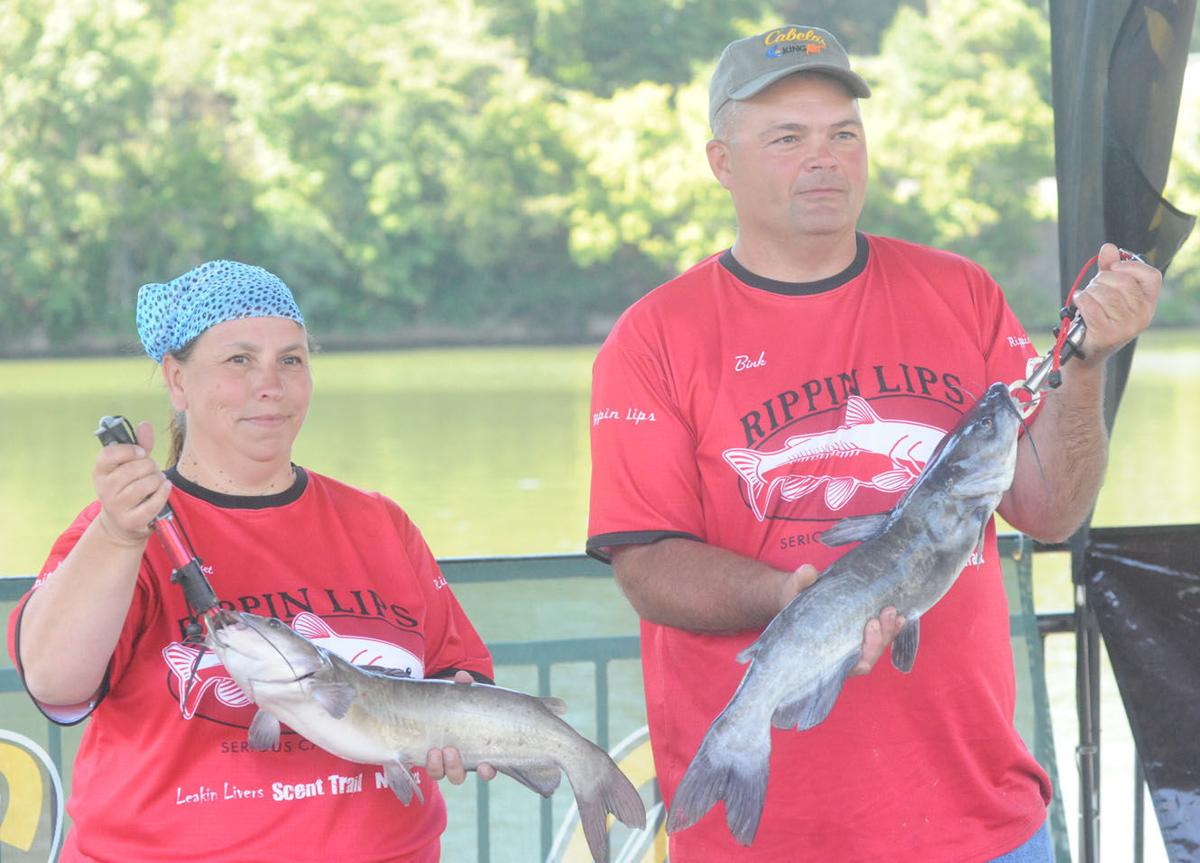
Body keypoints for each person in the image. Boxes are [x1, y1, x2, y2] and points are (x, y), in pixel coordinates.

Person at [586, 24, 1161, 863]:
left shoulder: (960, 291)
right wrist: (796, 597)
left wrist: (1088, 364)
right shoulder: (654, 339)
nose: (824, 159)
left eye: (843, 134)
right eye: (787, 138)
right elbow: (645, 567)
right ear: (722, 162)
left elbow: (1051, 511)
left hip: (984, 823)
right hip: (772, 839)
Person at [7, 260, 497, 862]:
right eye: (239, 360)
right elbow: (54, 685)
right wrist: (117, 535)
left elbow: (458, 673)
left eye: (291, 360)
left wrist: (459, 724)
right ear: (177, 381)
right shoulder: (124, 528)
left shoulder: (381, 524)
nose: (271, 385)